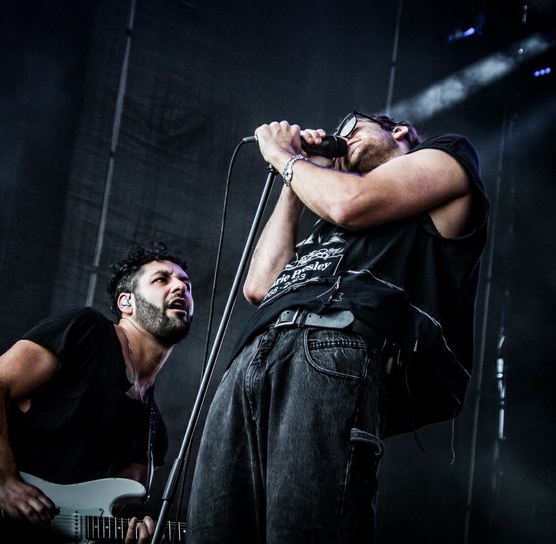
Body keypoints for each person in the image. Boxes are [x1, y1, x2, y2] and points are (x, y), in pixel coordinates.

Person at [187, 112, 490, 542]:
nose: (340, 137)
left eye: (352, 127)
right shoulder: (328, 215)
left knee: (303, 528)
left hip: (332, 345)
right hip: (252, 357)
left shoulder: (447, 155)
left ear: (398, 132)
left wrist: (283, 156)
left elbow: (350, 204)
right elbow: (260, 286)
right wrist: (294, 178)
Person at [0, 241, 194, 544]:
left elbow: (102, 521)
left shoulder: (154, 435)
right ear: (126, 302)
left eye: (186, 284)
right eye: (162, 279)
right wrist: (5, 483)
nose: (180, 287)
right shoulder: (87, 331)